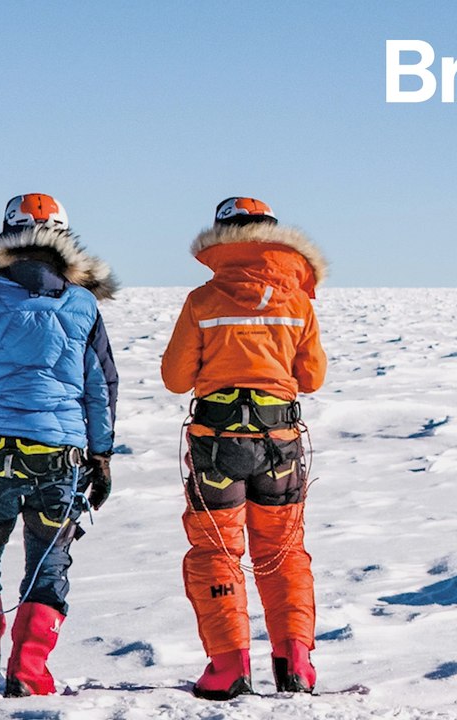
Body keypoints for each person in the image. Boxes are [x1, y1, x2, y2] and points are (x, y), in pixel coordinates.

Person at [0, 193, 119, 698]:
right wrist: (101, 457)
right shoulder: (84, 305)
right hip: (61, 459)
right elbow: (100, 388)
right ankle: (29, 671)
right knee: (50, 560)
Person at [161, 197, 328, 699]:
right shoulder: (298, 302)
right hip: (281, 443)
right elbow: (312, 378)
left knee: (217, 550)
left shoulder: (203, 300)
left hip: (217, 444)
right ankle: (296, 662)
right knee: (283, 551)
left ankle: (228, 667)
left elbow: (175, 379)